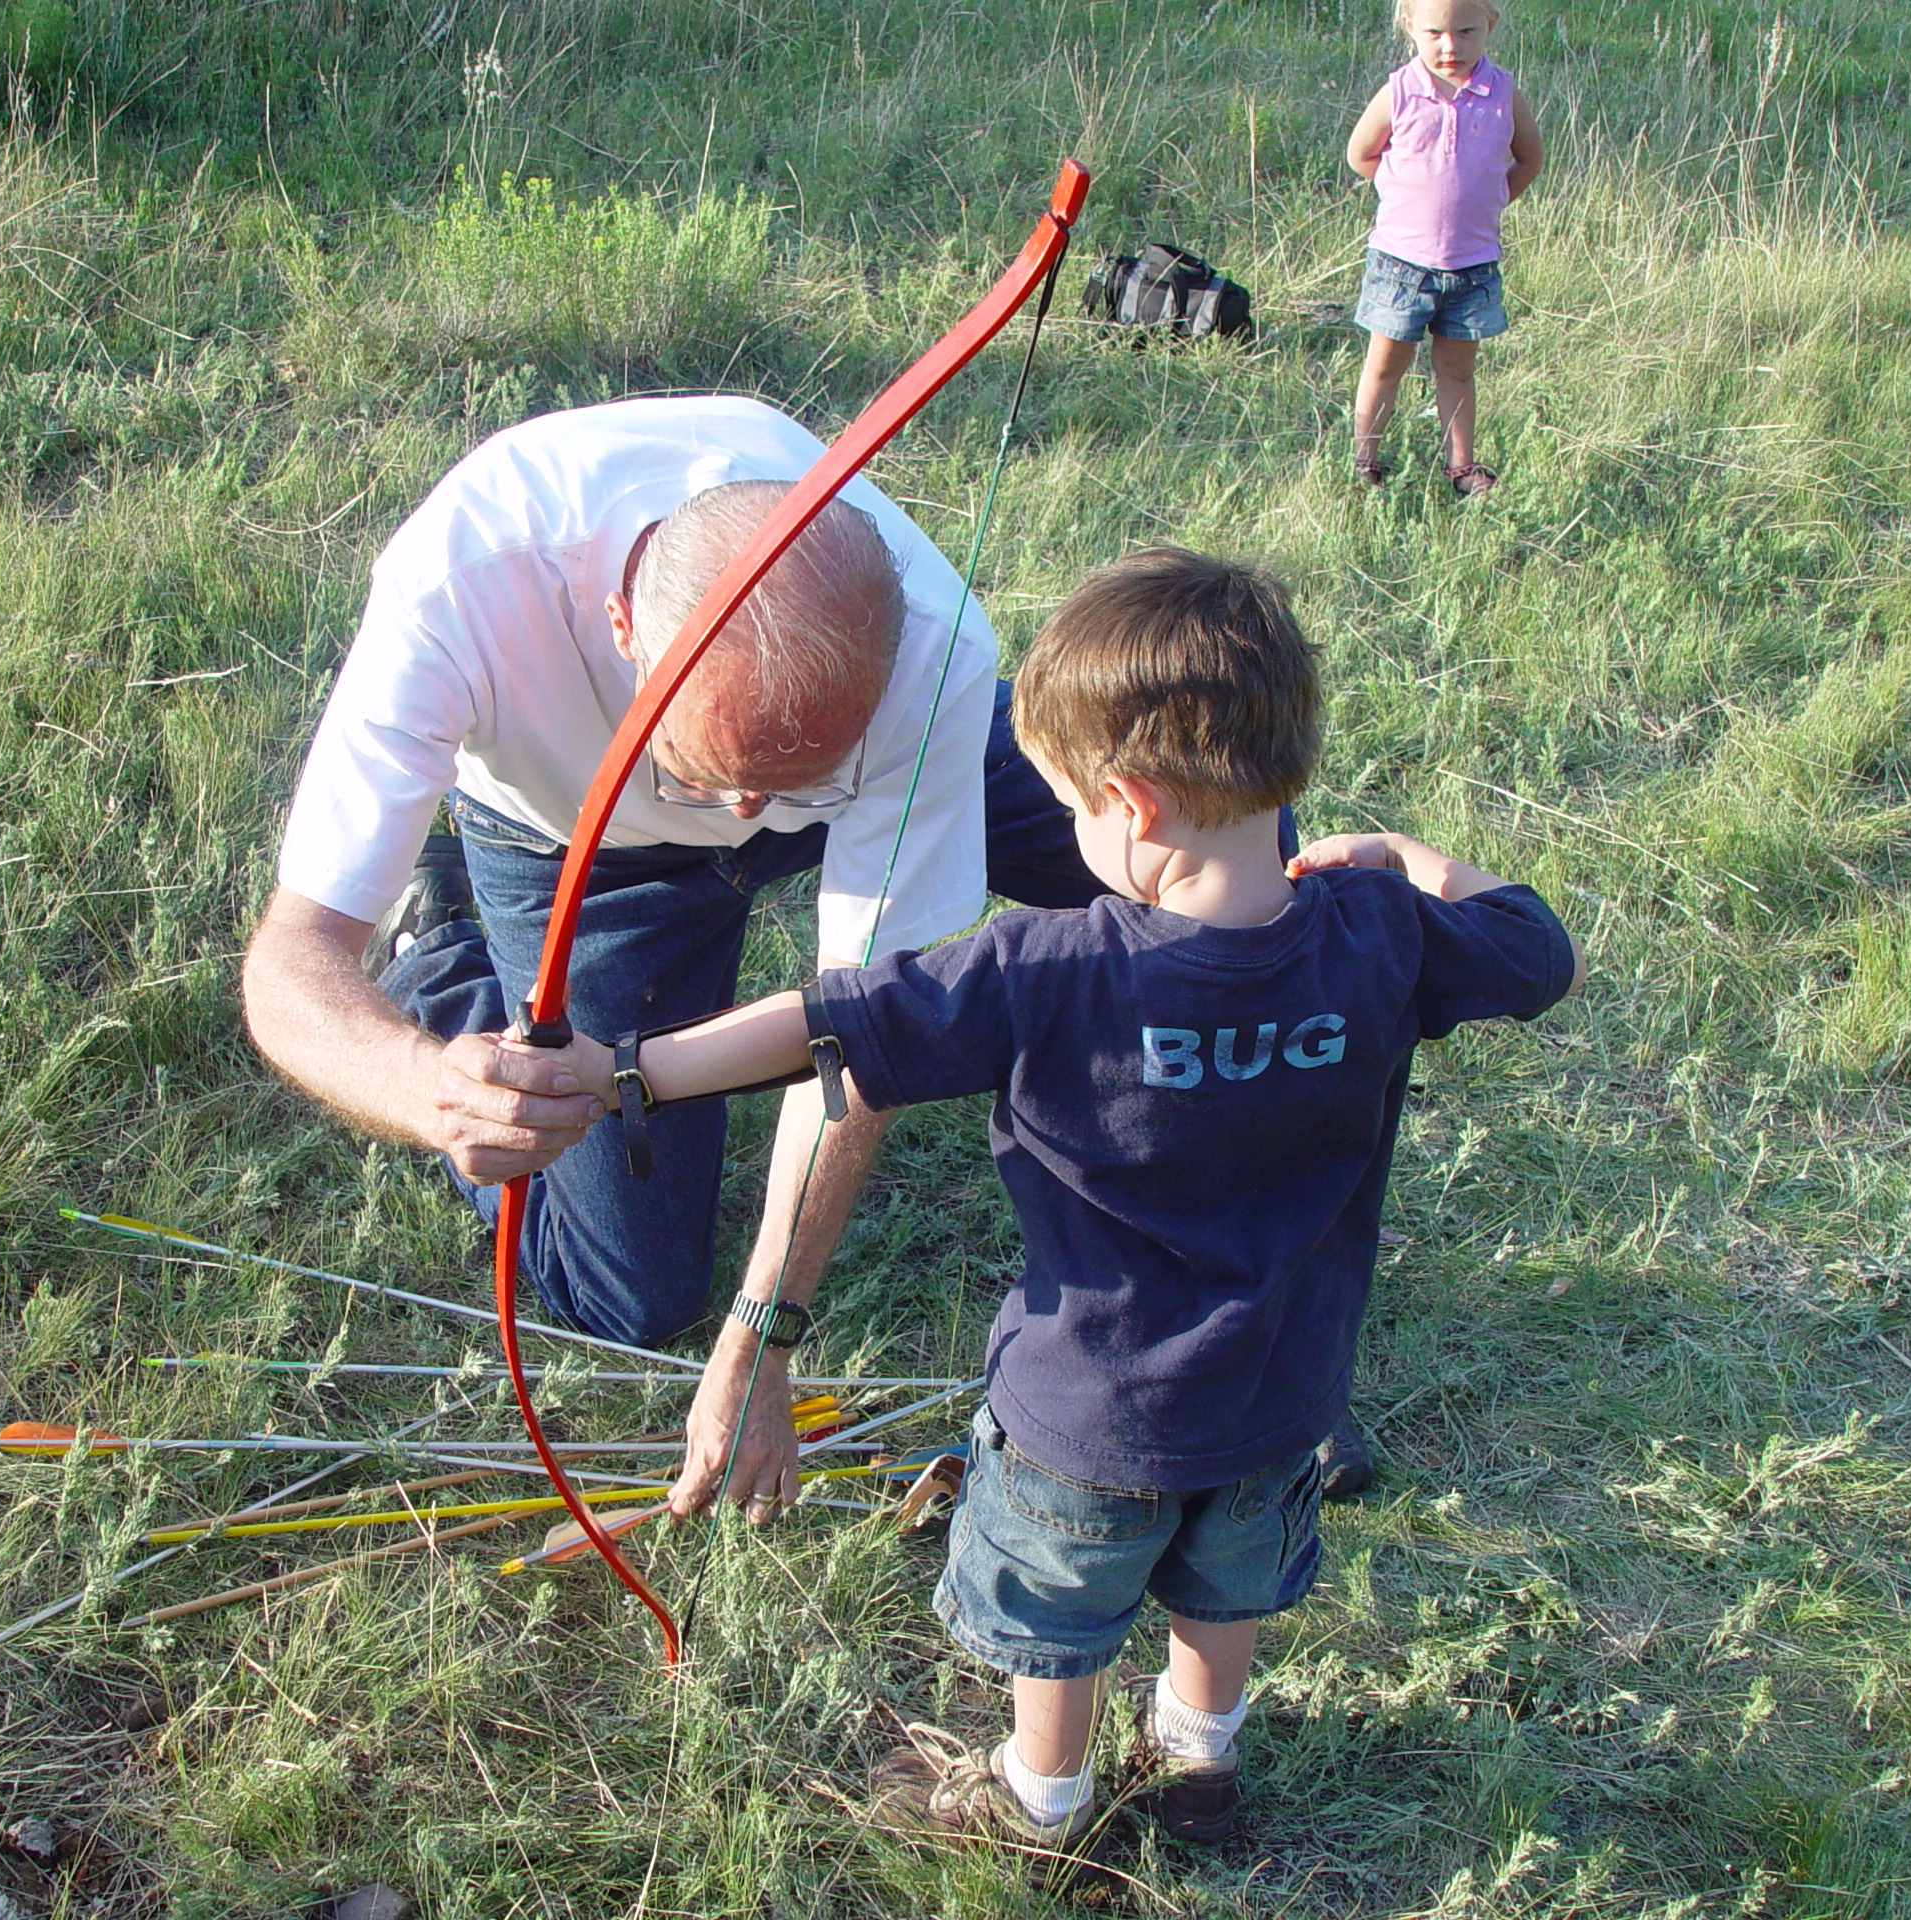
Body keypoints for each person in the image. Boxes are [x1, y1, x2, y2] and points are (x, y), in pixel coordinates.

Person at [540, 548, 1583, 1856]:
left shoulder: (1046, 965)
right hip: (1283, 1394)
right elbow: (1537, 949)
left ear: (1130, 806)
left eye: (1068, 807)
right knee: (1223, 1590)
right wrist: (1398, 853)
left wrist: (634, 1070)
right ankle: (1199, 1762)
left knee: (1059, 1613)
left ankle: (1042, 1796)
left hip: (1085, 1414)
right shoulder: (1380, 930)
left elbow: (827, 1025)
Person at [241, 397, 1373, 1491]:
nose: (747, 819)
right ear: (622, 626)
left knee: (1227, 846)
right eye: (709, 770)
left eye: (790, 776)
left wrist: (761, 1334)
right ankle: (439, 942)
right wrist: (428, 1088)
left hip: (874, 759)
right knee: (627, 1292)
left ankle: (1246, 1284)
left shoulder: (928, 649)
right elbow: (291, 962)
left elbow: (864, 1025)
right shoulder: (462, 583)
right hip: (585, 845)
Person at [1344, 0, 1544, 495]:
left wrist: (1490, 203)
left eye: (1467, 31)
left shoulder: (1503, 93)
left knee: (1457, 368)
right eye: (1434, 32)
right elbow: (1360, 154)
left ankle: (1461, 467)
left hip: (1472, 266)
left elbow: (1530, 159)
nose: (1450, 46)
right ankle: (1364, 460)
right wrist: (1407, 196)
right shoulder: (1401, 91)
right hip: (1401, 264)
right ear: (1409, 25)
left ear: (1491, 25)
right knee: (1386, 364)